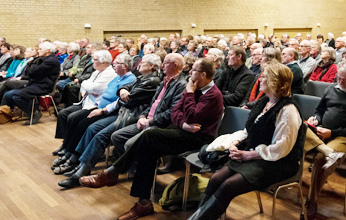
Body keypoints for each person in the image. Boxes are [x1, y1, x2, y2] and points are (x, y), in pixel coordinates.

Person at [80, 58, 224, 220]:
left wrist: (189, 95)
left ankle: (113, 173)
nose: (189, 73)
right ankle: (143, 203)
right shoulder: (194, 87)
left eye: (193, 71)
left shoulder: (212, 94)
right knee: (148, 149)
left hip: (198, 139)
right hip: (183, 132)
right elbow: (175, 113)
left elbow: (192, 115)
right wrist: (183, 124)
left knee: (149, 135)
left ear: (203, 74)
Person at [188, 61, 305, 220]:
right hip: (254, 154)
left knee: (228, 186)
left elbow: (280, 149)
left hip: (278, 162)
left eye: (264, 76)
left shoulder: (288, 110)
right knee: (216, 178)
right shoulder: (264, 101)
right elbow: (248, 130)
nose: (260, 79)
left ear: (274, 82)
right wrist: (235, 143)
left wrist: (247, 155)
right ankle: (198, 217)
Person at [57, 54, 162, 188]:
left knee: (98, 133)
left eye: (142, 62)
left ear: (151, 66)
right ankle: (78, 164)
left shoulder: (152, 80)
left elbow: (130, 100)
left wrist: (121, 95)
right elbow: (123, 91)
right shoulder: (142, 78)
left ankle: (81, 169)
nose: (139, 64)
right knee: (86, 124)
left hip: (130, 116)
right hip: (122, 113)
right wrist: (123, 90)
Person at [302, 59, 346, 220]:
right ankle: (282, 179)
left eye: (344, 80)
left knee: (321, 159)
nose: (340, 82)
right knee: (298, 131)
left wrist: (332, 133)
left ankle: (311, 201)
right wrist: (316, 118)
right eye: (338, 78)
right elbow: (319, 110)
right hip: (322, 132)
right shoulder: (333, 88)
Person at [52, 54, 137, 174]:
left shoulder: (131, 79)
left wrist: (101, 110)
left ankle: (74, 158)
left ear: (125, 66)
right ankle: (69, 152)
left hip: (112, 112)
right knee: (75, 118)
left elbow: (118, 101)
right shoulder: (116, 77)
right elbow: (104, 94)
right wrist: (97, 105)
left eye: (116, 63)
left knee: (85, 124)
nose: (113, 64)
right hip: (99, 106)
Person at [109, 53, 187, 157]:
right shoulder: (164, 81)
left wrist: (150, 121)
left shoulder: (181, 85)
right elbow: (152, 104)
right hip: (147, 120)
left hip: (160, 124)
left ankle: (136, 168)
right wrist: (142, 116)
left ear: (175, 65)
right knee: (117, 136)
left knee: (129, 144)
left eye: (165, 63)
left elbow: (172, 112)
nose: (162, 65)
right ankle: (133, 166)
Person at [3, 42, 60, 125]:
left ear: (48, 50)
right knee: (8, 94)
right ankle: (9, 113)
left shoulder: (51, 61)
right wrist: (32, 70)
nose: (38, 51)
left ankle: (34, 113)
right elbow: (30, 71)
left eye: (40, 49)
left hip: (44, 86)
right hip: (35, 84)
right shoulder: (43, 59)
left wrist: (31, 70)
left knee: (16, 96)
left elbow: (32, 71)